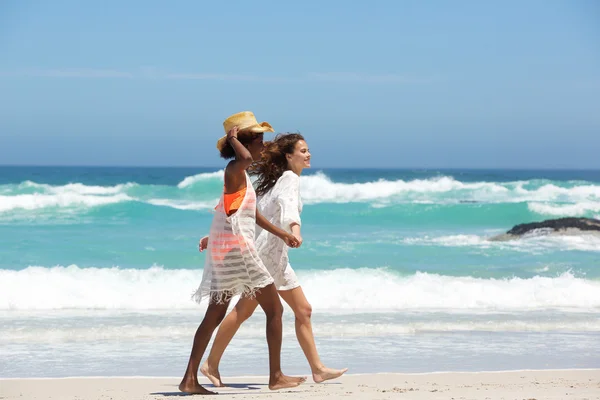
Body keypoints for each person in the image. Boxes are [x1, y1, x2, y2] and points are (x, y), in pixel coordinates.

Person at [199, 133, 348, 387]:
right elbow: (286, 209)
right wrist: (296, 231)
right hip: (266, 257)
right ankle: (211, 364)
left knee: (303, 310)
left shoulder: (275, 182)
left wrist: (214, 234)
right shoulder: (289, 180)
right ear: (289, 156)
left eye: (308, 150)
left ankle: (318, 369)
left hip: (277, 258)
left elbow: (247, 212)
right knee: (244, 310)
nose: (308, 154)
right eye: (302, 151)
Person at [179, 112, 305, 394]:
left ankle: (189, 380)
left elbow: (247, 214)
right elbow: (246, 160)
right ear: (244, 144)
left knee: (215, 314)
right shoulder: (236, 168)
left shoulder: (242, 176)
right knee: (275, 309)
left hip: (231, 252)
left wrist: (282, 233)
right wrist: (234, 139)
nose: (262, 147)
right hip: (241, 253)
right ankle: (276, 377)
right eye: (258, 141)